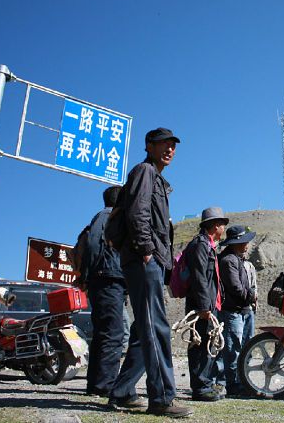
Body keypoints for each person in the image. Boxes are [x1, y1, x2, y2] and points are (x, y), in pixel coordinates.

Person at [107, 128, 192, 418]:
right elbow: (137, 213)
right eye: (162, 144)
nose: (169, 150)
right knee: (156, 328)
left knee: (144, 331)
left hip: (148, 261)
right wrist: (146, 250)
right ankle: (162, 398)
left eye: (172, 146)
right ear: (149, 146)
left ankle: (122, 391)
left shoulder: (156, 177)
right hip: (144, 260)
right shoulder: (145, 172)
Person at [81, 186, 127, 397]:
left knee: (103, 333)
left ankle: (95, 384)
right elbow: (92, 246)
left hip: (102, 279)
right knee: (113, 333)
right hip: (108, 278)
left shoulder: (99, 217)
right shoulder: (109, 217)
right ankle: (105, 385)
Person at [184, 207, 228, 401]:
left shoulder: (207, 245)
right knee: (200, 345)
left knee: (209, 343)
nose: (224, 228)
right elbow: (199, 277)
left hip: (209, 305)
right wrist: (203, 306)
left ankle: (207, 384)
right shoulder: (200, 245)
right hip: (202, 307)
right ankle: (201, 388)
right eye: (223, 225)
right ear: (216, 225)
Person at [214, 224, 256, 396]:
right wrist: (251, 295)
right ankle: (233, 384)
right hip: (233, 311)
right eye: (244, 242)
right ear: (236, 243)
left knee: (243, 347)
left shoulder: (235, 259)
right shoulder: (228, 260)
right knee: (233, 349)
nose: (247, 245)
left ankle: (239, 381)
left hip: (242, 310)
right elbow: (236, 288)